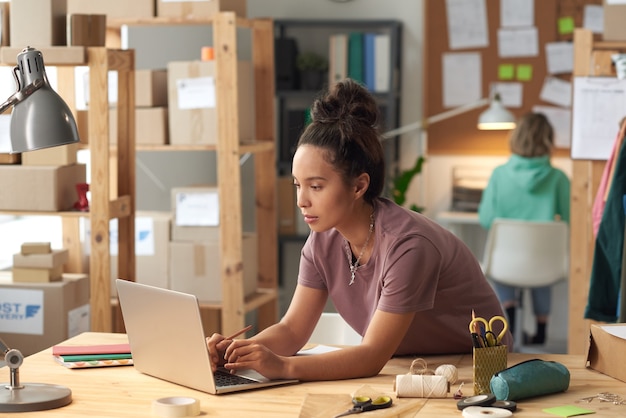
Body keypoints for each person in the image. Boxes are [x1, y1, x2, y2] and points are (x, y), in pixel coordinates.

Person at [207, 78, 512, 382]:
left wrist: (284, 367)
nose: (301, 201)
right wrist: (235, 353)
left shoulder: (408, 245)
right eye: (297, 185)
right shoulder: (321, 241)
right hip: (409, 366)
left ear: (358, 185)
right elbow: (292, 331)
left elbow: (371, 356)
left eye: (316, 186)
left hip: (476, 371)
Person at [478, 112, 570, 345]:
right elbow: (569, 220)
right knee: (542, 263)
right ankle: (541, 329)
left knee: (504, 263)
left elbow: (486, 218)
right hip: (545, 266)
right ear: (548, 141)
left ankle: (510, 320)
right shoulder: (558, 178)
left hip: (506, 266)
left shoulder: (499, 174)